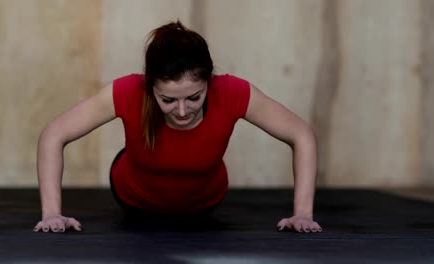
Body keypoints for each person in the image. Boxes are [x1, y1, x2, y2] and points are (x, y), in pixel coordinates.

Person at [33, 20, 322, 233]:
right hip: (135, 199)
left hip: (204, 203)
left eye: (194, 97)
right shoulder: (128, 91)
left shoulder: (232, 92)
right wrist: (51, 214)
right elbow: (53, 135)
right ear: (150, 87)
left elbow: (301, 135)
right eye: (168, 100)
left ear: (209, 82)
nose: (182, 111)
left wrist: (303, 214)